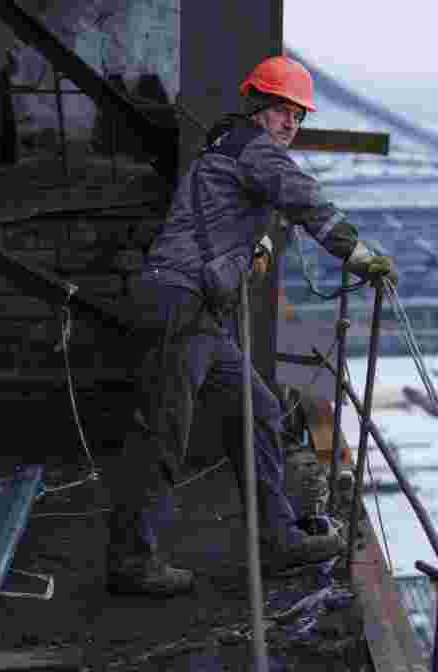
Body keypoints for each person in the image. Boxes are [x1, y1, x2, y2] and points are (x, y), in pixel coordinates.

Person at [106, 55, 398, 596]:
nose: (292, 124)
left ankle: (277, 538)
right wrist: (360, 255)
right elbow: (306, 200)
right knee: (162, 433)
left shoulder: (226, 150)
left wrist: (252, 245)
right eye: (283, 111)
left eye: (298, 116)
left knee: (258, 409)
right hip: (181, 303)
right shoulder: (252, 149)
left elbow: (219, 219)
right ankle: (130, 561)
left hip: (197, 310)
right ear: (259, 108)